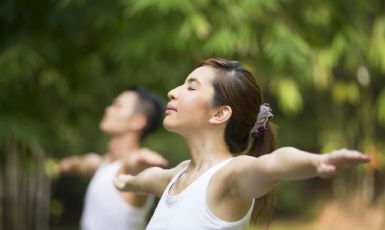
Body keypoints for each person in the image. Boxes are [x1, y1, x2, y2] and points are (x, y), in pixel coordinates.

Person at [114, 58, 371, 230]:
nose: (173, 91)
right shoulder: (180, 174)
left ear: (219, 114)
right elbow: (149, 179)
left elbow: (273, 164)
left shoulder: (228, 177)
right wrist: (126, 181)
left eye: (191, 88)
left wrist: (317, 161)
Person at [58, 87, 168, 230]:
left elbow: (135, 170)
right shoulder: (106, 165)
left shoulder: (131, 170)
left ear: (137, 121)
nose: (108, 110)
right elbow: (87, 163)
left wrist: (141, 163)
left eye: (117, 106)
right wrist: (66, 165)